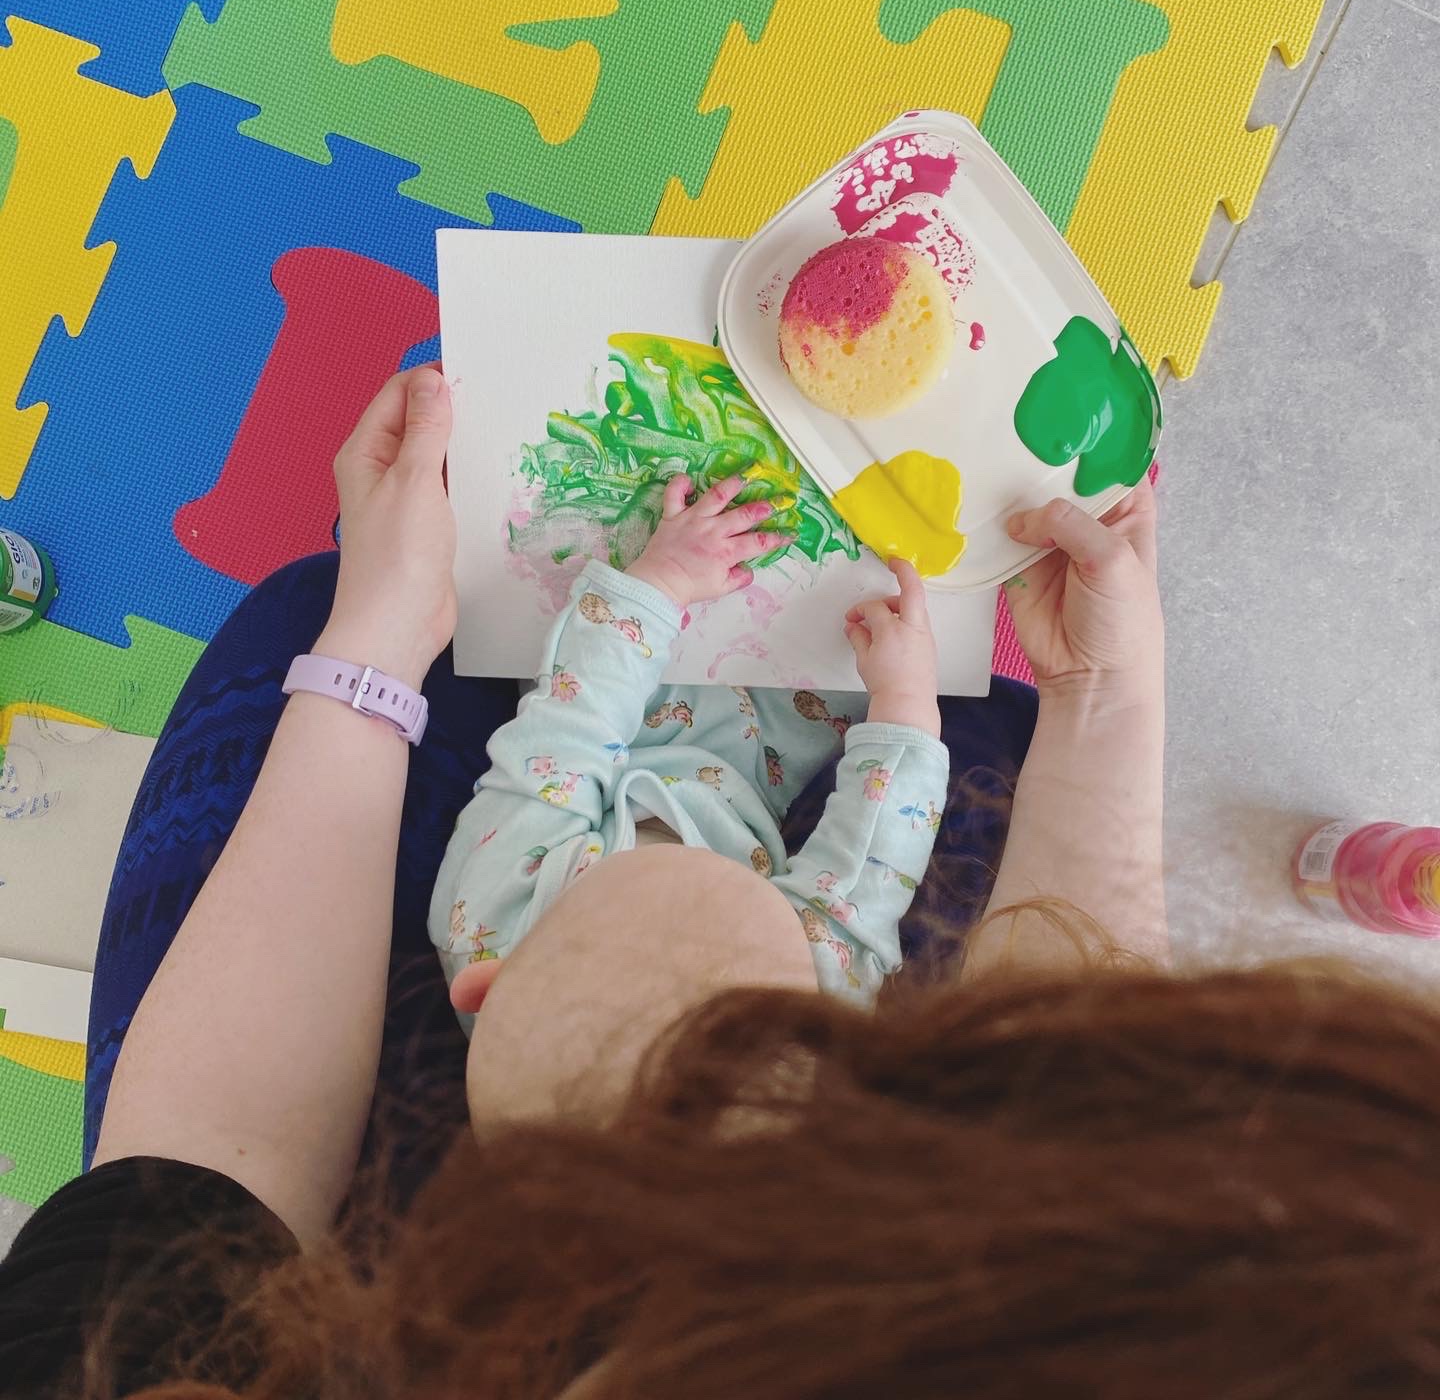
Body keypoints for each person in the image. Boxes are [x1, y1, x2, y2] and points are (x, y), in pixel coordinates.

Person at [15, 360, 1371, 1400]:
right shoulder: (853, 1021)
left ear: (486, 973)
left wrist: (387, 636)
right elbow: (869, 888)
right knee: (985, 748)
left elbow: (561, 747)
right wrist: (1058, 710)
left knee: (305, 610)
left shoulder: (493, 903)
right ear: (846, 1065)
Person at [432, 465, 950, 1016]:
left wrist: (665, 578)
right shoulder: (808, 1013)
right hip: (768, 776)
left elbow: (570, 724)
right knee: (888, 630)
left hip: (623, 735)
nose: (695, 905)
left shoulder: (494, 922)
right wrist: (908, 698)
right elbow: (868, 865)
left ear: (487, 988)